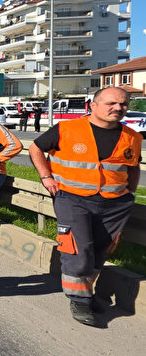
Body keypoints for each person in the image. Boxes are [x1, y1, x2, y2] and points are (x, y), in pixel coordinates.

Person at [29, 87, 142, 327]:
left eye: (122, 104)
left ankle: (86, 293)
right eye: (111, 103)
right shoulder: (67, 129)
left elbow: (133, 167)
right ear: (93, 105)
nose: (118, 108)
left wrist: (129, 193)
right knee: (78, 251)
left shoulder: (133, 136)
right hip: (72, 198)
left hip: (115, 204)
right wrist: (46, 177)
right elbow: (35, 148)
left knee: (100, 251)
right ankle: (79, 301)